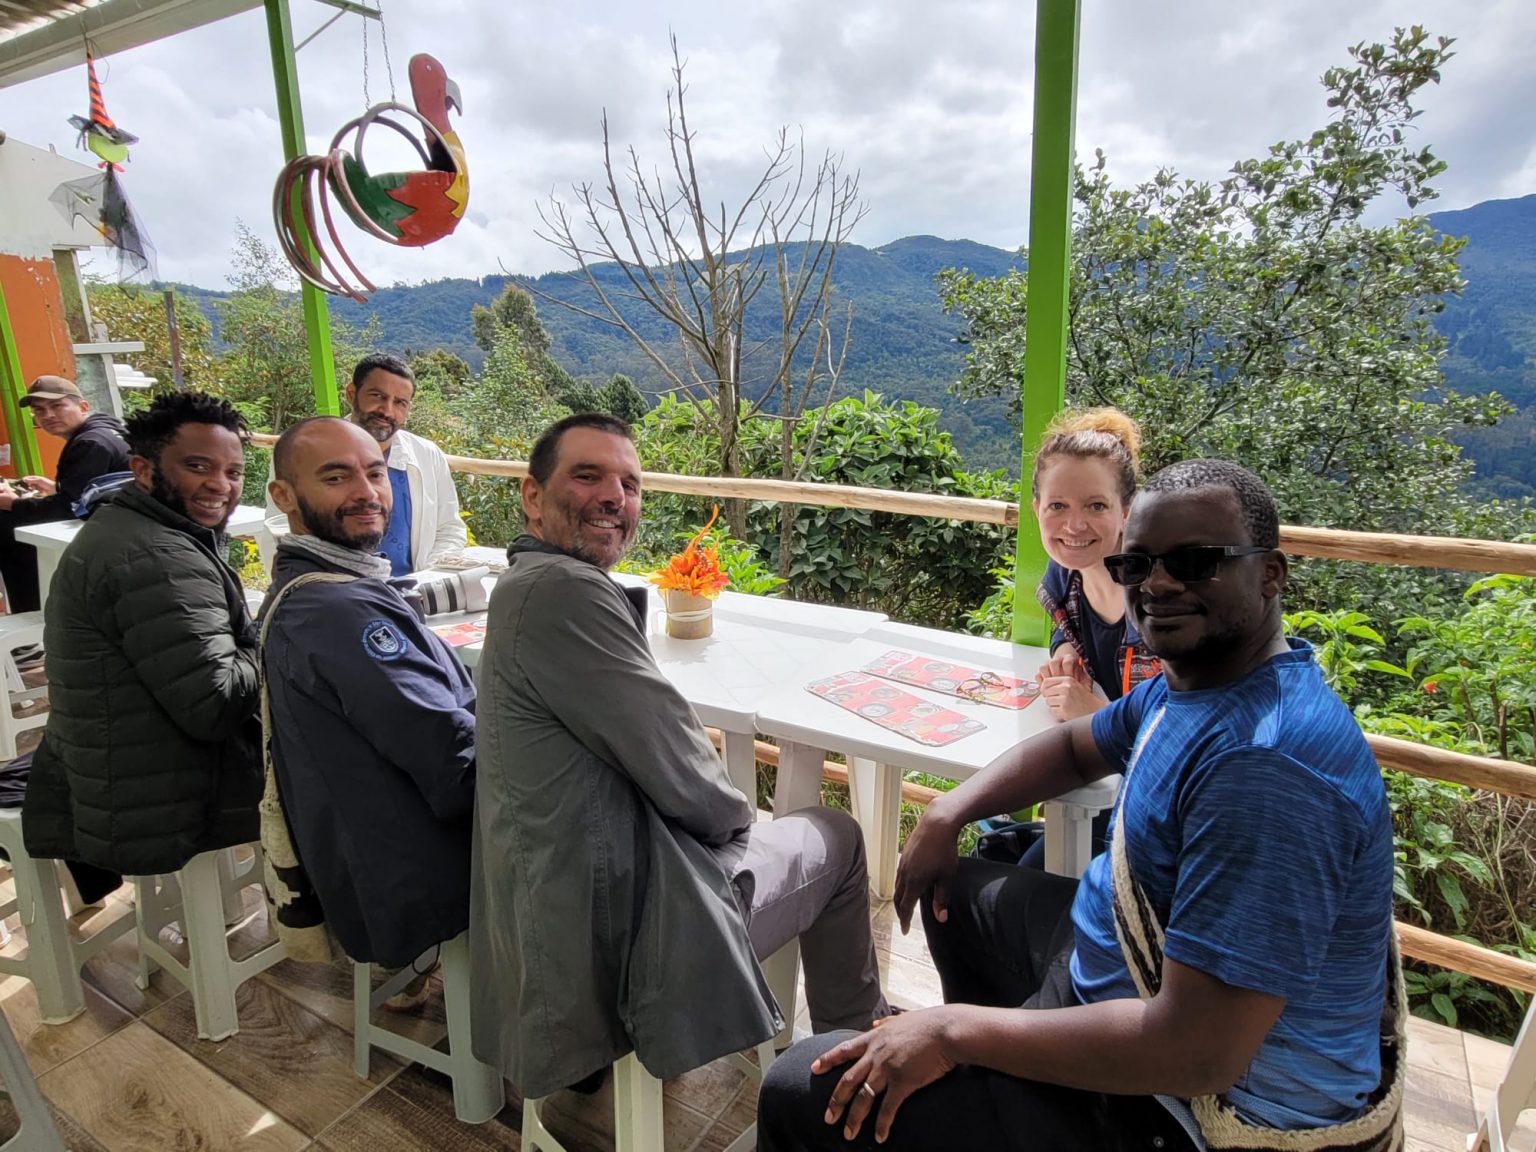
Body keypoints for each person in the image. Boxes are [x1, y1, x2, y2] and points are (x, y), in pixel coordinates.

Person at [758, 460, 1401, 1152]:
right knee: (960, 893)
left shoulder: (1265, 768)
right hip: (1126, 966)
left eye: (1195, 561)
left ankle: (1005, 1092)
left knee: (799, 1086)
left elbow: (1199, 1051)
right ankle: (998, 1094)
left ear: (1270, 574)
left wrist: (952, 1032)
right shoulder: (1202, 685)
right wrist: (948, 813)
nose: (1158, 584)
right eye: (1139, 565)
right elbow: (1073, 748)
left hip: (1203, 1109)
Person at [469, 412, 890, 1100]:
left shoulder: (521, 585)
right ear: (531, 495)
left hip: (559, 890)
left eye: (630, 484)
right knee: (836, 835)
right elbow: (691, 781)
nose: (615, 496)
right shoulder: (565, 591)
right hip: (619, 925)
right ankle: (858, 1057)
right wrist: (738, 823)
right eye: (588, 475)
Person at [258, 416, 475, 976]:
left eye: (375, 474)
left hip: (375, 843)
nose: (365, 494)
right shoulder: (337, 613)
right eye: (336, 478)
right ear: (284, 496)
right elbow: (451, 761)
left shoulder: (317, 586)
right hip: (418, 869)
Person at [22, 392, 261, 877]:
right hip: (155, 798)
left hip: (110, 770)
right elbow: (215, 705)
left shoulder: (129, 526)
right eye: (198, 467)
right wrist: (273, 633)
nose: (220, 485)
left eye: (233, 472)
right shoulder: (156, 559)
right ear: (145, 470)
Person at [262, 353, 466, 576]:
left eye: (400, 402)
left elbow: (449, 529)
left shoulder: (426, 455)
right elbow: (280, 529)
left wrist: (425, 581)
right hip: (333, 593)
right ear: (351, 393)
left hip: (415, 596)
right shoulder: (305, 452)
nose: (387, 411)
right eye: (377, 396)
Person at [1032, 408, 1158, 723]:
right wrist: (1067, 655)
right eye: (1058, 506)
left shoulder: (1163, 597)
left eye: (1096, 506)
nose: (1074, 526)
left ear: (1127, 510)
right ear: (1037, 509)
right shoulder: (1064, 574)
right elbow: (1067, 627)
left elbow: (1193, 732)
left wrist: (1097, 716)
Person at [0, 375, 130, 613]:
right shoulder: (105, 429)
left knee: (7, 523)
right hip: (118, 518)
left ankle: (33, 613)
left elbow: (66, 508)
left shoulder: (90, 443)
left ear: (83, 406)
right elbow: (88, 490)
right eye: (39, 410)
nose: (47, 415)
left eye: (57, 406)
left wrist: (12, 503)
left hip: (119, 530)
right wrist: (54, 487)